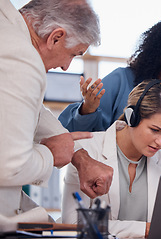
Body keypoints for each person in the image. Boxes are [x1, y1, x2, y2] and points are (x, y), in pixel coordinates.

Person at [0, 0, 113, 219]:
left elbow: (24, 106)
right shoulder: (22, 60)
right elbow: (11, 166)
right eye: (73, 54)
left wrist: (78, 154)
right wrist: (51, 155)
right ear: (56, 37)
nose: (66, 67)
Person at [62, 79, 161, 239]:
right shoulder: (86, 151)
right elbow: (72, 224)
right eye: (155, 130)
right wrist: (144, 230)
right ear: (132, 118)